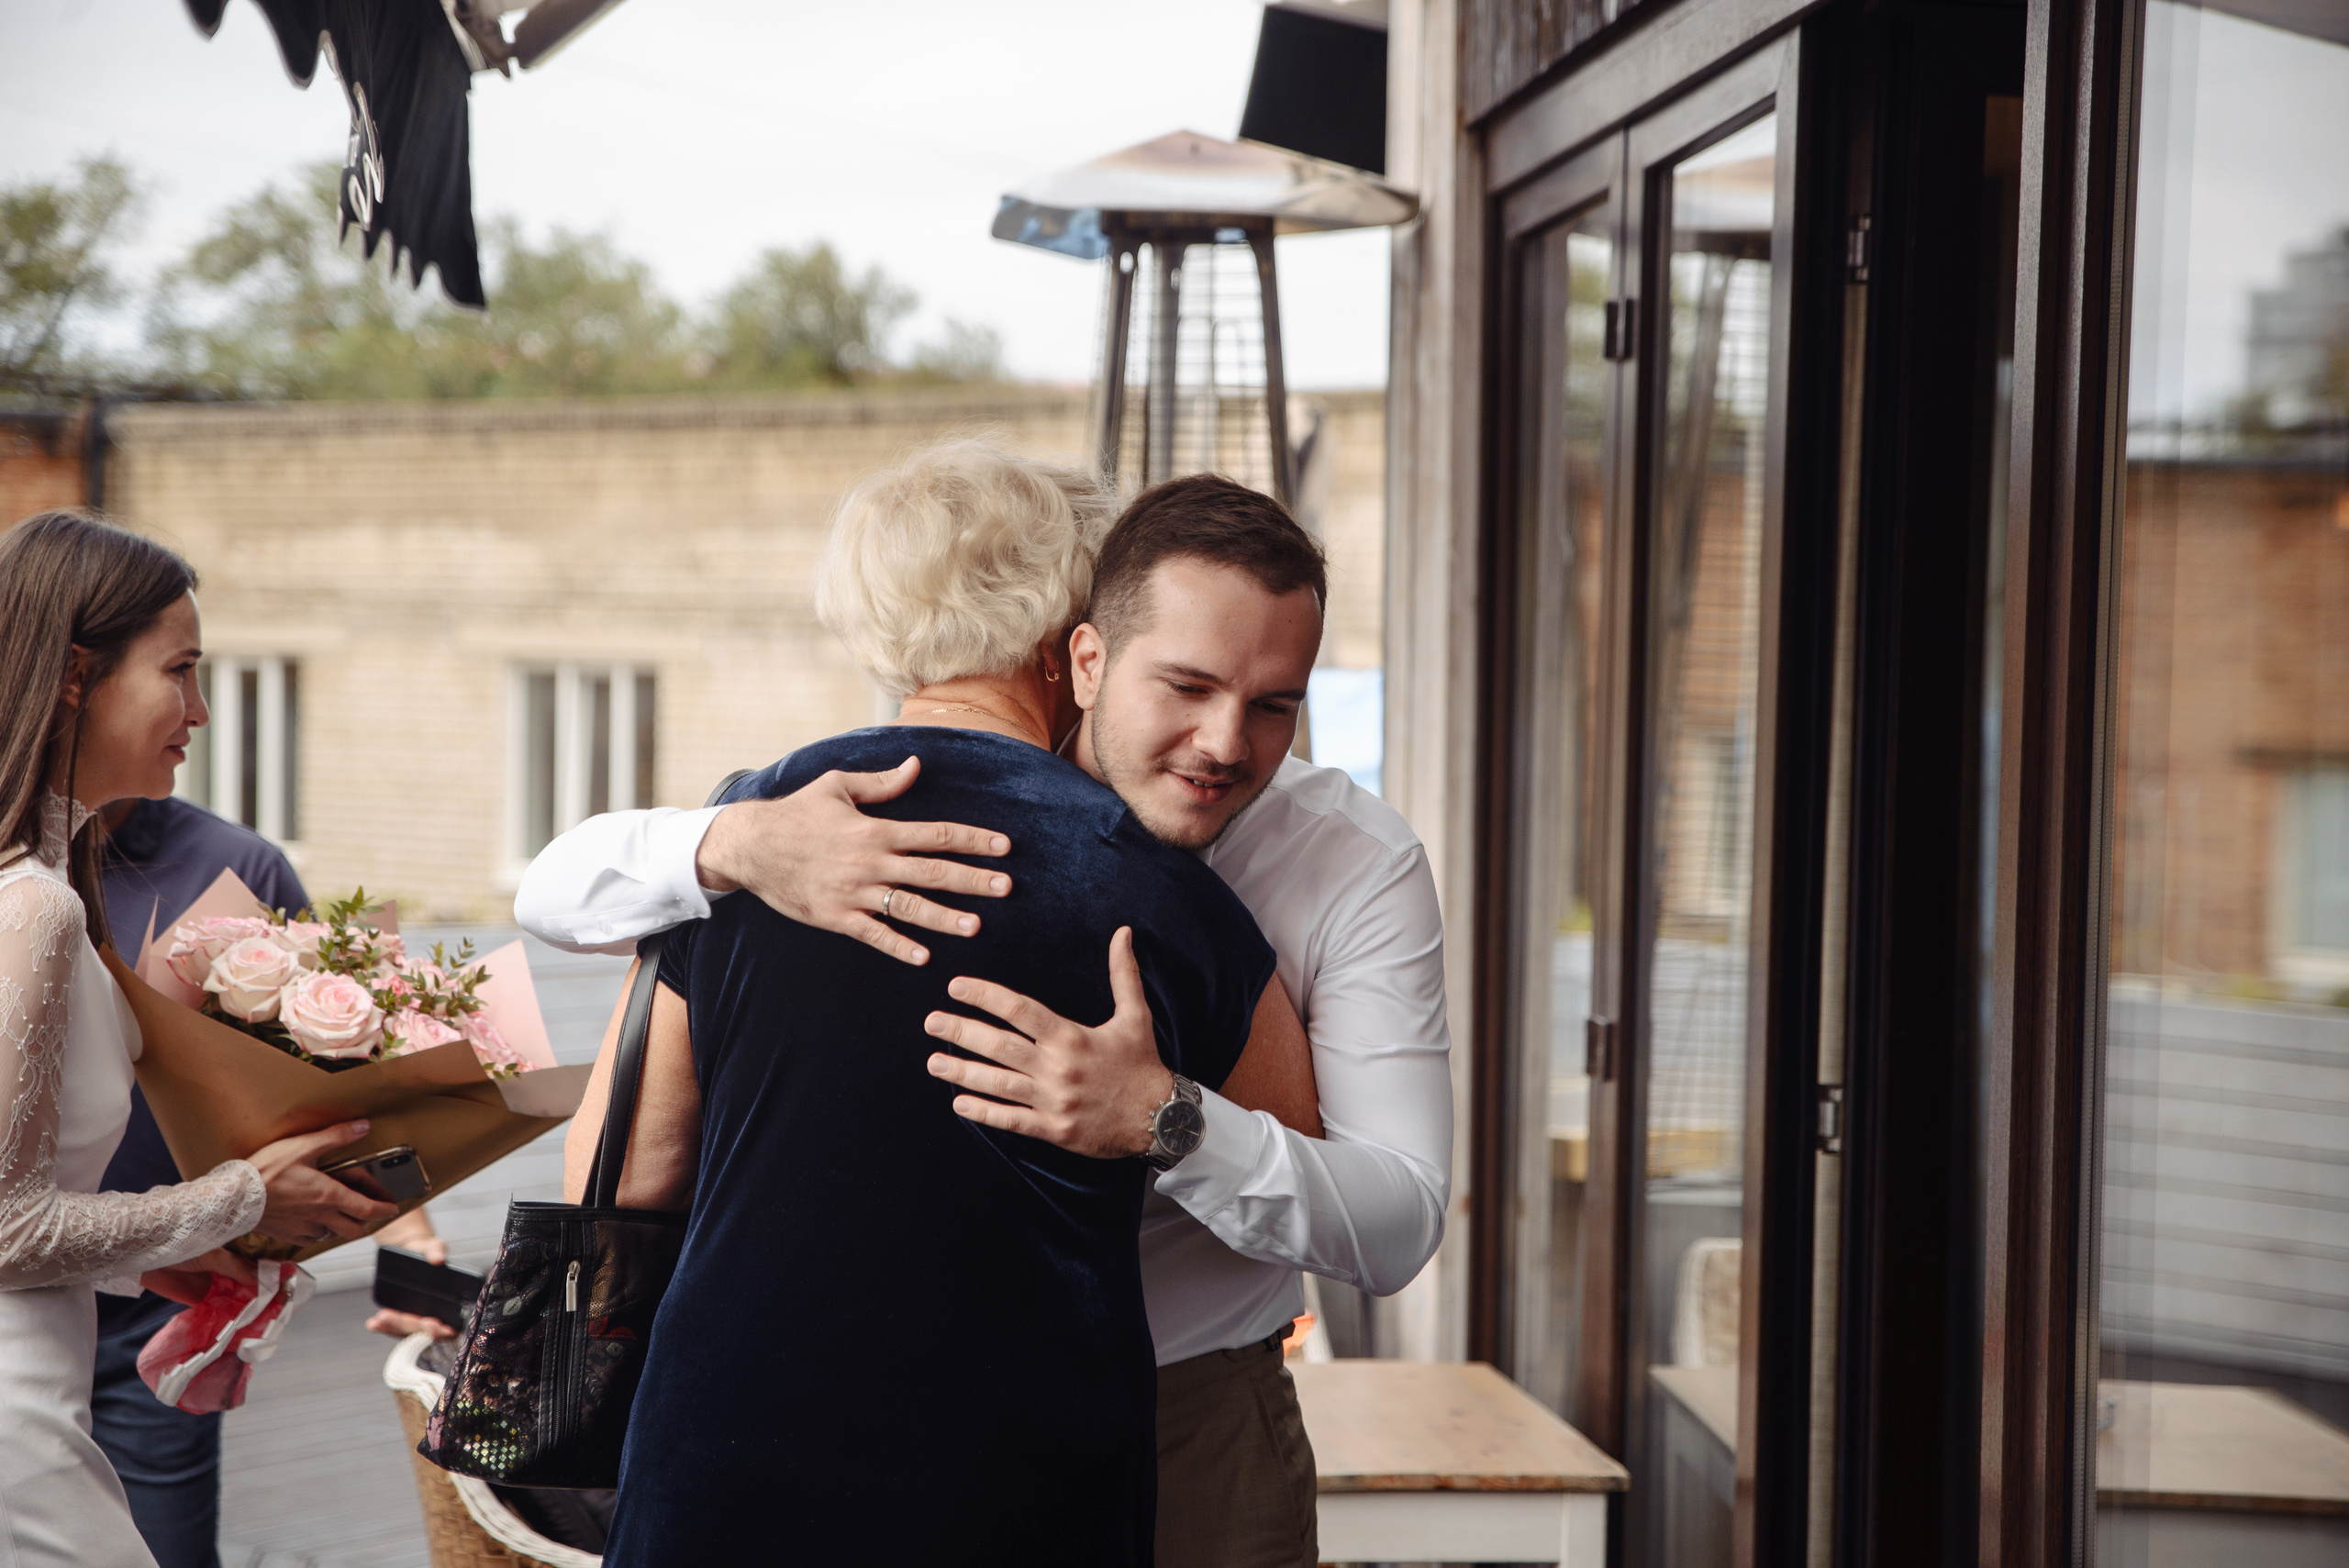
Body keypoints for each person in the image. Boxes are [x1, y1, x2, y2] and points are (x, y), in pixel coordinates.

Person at [519, 469, 1451, 1567]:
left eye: (1274, 704)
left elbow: (1397, 1220)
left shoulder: (1343, 860)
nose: (1224, 742)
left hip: (1188, 1397)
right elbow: (554, 892)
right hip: (867, 1400)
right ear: (1080, 657)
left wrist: (1167, 1119)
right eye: (1185, 686)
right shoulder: (828, 816)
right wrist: (723, 846)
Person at [0, 510, 399, 1568]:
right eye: (179, 670)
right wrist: (241, 1200)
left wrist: (152, 1260)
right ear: (77, 674)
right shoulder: (32, 906)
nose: (204, 710)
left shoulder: (43, 884)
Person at [89, 793, 311, 1568]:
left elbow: (308, 1096)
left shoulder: (240, 866)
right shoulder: (32, 884)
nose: (200, 711)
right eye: (178, 667)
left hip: (163, 1302)